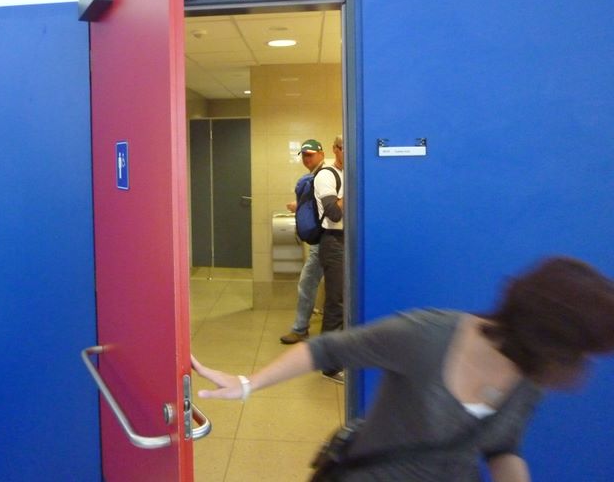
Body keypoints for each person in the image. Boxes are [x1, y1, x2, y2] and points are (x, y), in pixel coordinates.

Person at [192, 256, 614, 481]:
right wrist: (249, 383)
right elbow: (327, 348)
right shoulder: (429, 336)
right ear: (543, 335)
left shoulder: (531, 375)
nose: (576, 368)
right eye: (574, 352)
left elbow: (502, 446)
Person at [280, 138, 326, 345]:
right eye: (304, 155)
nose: (307, 159)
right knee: (314, 283)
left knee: (307, 282)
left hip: (325, 239)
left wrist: (298, 207)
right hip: (321, 239)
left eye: (311, 155)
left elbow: (326, 207)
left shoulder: (324, 175)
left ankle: (300, 329)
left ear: (321, 153)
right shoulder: (315, 176)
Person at [316, 136, 345, 381]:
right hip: (334, 242)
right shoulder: (326, 176)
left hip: (352, 240)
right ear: (335, 149)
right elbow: (334, 213)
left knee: (349, 302)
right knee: (337, 303)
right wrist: (352, 188)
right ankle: (329, 366)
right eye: (344, 148)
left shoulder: (351, 173)